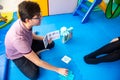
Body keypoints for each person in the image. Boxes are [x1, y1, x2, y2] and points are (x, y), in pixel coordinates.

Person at [5, 1, 68, 80]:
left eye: (40, 14)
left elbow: (30, 35)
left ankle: (33, 53)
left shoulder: (25, 22)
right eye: (38, 17)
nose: (41, 17)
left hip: (27, 44)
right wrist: (58, 69)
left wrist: (44, 38)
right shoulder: (18, 39)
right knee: (34, 75)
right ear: (28, 20)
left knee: (51, 44)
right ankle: (33, 54)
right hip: (17, 55)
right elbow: (38, 62)